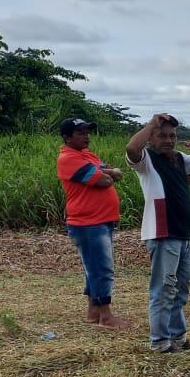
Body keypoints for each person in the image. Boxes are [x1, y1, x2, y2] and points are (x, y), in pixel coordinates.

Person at [125, 113, 190, 352]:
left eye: (172, 136)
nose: (168, 140)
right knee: (163, 289)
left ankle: (177, 336)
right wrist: (152, 123)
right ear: (152, 138)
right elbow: (132, 148)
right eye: (161, 135)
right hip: (163, 232)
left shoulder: (178, 158)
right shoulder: (147, 160)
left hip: (182, 233)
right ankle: (160, 342)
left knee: (181, 288)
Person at [56, 118, 128, 328]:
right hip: (87, 222)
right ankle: (106, 316)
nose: (86, 136)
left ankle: (93, 312)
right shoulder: (68, 158)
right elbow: (106, 179)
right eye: (80, 133)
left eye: (87, 132)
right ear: (67, 137)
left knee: (93, 268)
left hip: (101, 220)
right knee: (101, 270)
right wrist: (108, 173)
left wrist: (107, 173)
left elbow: (115, 175)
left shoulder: (87, 155)